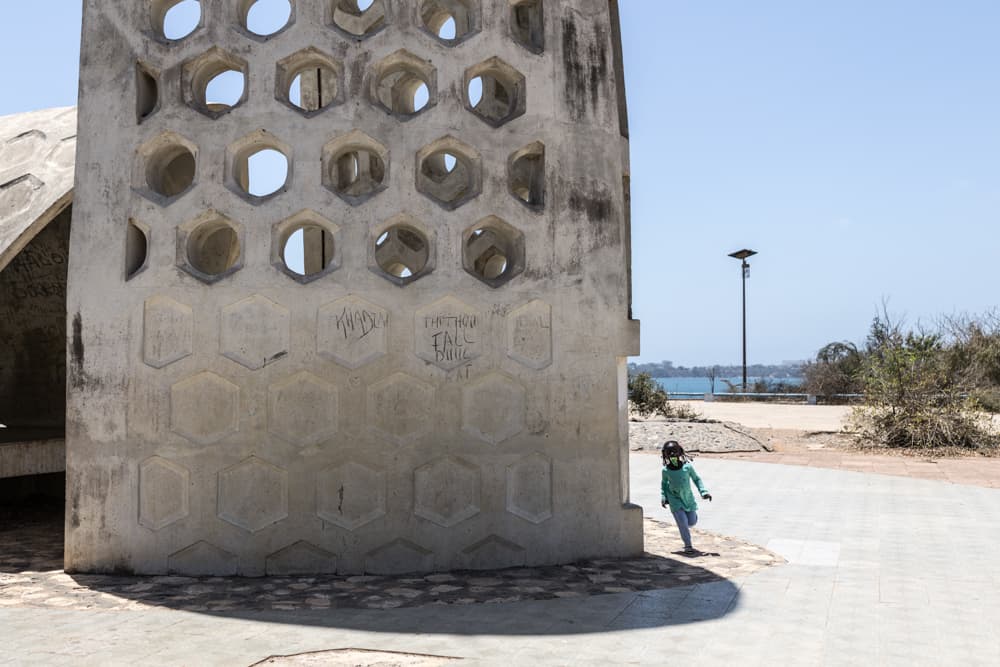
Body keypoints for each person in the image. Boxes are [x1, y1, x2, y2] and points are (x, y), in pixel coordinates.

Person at [660, 440, 712, 553]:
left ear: (680, 452)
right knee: (682, 522)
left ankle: (687, 523)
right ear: (665, 454)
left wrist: (704, 492)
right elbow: (664, 484)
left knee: (691, 522)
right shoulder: (665, 470)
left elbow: (696, 479)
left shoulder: (687, 467)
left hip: (688, 499)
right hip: (674, 499)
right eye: (670, 452)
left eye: (675, 451)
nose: (673, 455)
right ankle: (688, 545)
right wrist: (664, 497)